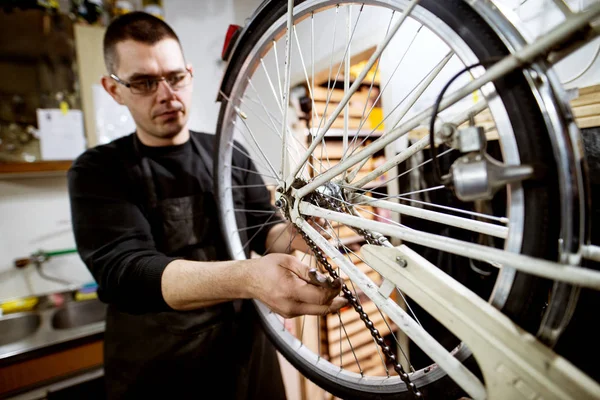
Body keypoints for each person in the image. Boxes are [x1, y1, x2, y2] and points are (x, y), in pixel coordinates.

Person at [67, 11, 346, 400]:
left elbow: (266, 232)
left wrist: (304, 229)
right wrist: (249, 278)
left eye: (175, 77)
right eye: (145, 82)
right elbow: (127, 272)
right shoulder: (98, 171)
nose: (167, 94)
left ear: (190, 74)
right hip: (161, 374)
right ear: (115, 89)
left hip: (247, 362)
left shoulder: (227, 152)